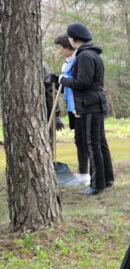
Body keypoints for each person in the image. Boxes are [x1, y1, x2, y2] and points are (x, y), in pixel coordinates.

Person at [58, 23, 113, 196]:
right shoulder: (91, 54)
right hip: (94, 103)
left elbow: (82, 83)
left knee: (93, 144)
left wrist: (63, 80)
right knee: (100, 142)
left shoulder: (85, 56)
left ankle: (96, 185)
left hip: (90, 105)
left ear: (73, 39)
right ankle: (107, 178)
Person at [52, 34, 89, 187]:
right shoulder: (68, 63)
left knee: (85, 140)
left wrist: (62, 79)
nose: (59, 51)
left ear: (68, 47)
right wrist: (56, 81)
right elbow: (66, 87)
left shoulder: (78, 60)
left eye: (60, 48)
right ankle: (83, 172)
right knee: (79, 140)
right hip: (73, 107)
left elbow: (78, 83)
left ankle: (86, 173)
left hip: (83, 106)